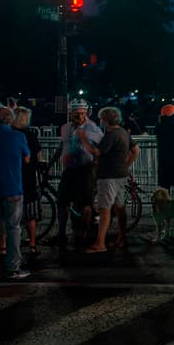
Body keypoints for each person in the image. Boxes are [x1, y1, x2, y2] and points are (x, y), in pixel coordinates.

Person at [0, 106, 30, 279]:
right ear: (11, 119)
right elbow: (27, 157)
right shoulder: (19, 136)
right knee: (13, 228)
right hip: (13, 186)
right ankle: (13, 267)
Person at [50, 99, 104, 247]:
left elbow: (101, 150)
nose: (79, 117)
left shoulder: (93, 129)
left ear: (86, 113)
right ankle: (62, 234)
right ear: (70, 114)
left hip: (86, 169)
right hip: (70, 170)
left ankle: (83, 235)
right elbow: (63, 145)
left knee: (85, 203)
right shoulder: (65, 128)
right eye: (76, 114)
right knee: (62, 201)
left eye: (82, 113)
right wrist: (51, 163)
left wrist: (97, 164)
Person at [86, 106, 139, 253]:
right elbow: (136, 150)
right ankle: (122, 238)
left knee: (104, 209)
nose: (100, 121)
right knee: (119, 207)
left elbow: (97, 152)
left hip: (108, 175)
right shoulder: (123, 132)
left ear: (105, 120)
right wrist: (126, 165)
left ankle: (100, 244)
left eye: (101, 118)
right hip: (121, 174)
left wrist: (84, 139)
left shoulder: (111, 134)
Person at [12, 107, 43, 257]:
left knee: (10, 214)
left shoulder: (9, 135)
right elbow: (37, 155)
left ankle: (7, 245)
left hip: (12, 177)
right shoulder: (31, 135)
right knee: (30, 213)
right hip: (29, 177)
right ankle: (32, 244)